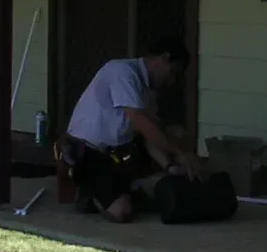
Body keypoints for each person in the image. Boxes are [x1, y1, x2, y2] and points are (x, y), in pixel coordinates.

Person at [63, 37, 202, 223]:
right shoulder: (122, 72)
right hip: (87, 149)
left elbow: (148, 134)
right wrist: (180, 153)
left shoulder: (149, 91)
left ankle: (123, 188)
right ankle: (89, 196)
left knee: (175, 133)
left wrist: (171, 165)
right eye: (173, 73)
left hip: (119, 151)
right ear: (164, 58)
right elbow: (139, 121)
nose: (171, 81)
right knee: (122, 212)